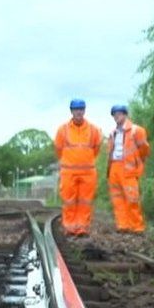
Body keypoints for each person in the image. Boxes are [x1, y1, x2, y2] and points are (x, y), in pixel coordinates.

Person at [53, 99, 102, 237]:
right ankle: (69, 228)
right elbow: (58, 149)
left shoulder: (94, 130)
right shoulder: (62, 130)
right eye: (76, 109)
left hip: (88, 172)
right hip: (69, 171)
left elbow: (96, 148)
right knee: (69, 200)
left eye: (81, 109)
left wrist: (85, 160)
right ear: (71, 111)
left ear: (84, 110)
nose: (79, 112)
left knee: (85, 201)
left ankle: (82, 228)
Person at [106, 104, 150, 234]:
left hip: (129, 169)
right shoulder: (112, 133)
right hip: (114, 167)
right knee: (117, 198)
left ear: (125, 115)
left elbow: (144, 149)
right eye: (114, 115)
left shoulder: (137, 130)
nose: (116, 117)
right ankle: (123, 225)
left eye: (119, 114)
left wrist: (137, 162)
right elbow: (110, 151)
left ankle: (137, 227)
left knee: (132, 198)